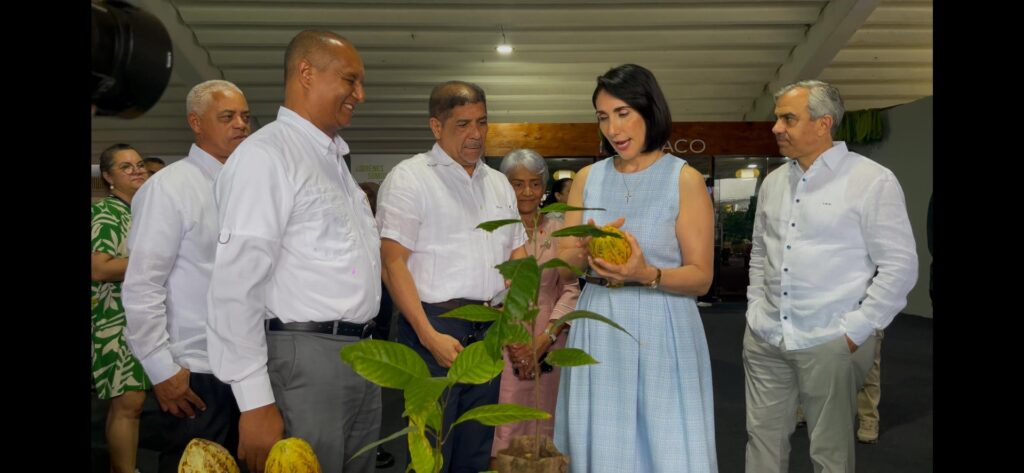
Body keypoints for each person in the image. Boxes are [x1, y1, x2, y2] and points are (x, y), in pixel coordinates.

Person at [207, 30, 381, 473]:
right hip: (305, 359)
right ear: (306, 73)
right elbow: (235, 284)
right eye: (350, 80)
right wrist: (255, 401)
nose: (360, 94)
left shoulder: (331, 162)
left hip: (361, 355)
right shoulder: (268, 155)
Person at [743, 79, 918, 473]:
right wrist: (756, 308)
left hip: (830, 339)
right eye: (777, 118)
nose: (776, 128)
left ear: (823, 124)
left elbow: (900, 265)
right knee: (761, 441)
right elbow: (760, 252)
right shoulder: (772, 183)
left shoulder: (871, 180)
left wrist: (857, 329)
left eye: (788, 118)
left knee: (830, 454)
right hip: (766, 335)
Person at [553, 64, 718, 472]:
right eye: (603, 116)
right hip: (599, 321)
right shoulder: (587, 178)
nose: (613, 127)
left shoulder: (684, 178)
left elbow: (701, 277)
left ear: (649, 110)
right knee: (604, 440)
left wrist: (648, 274)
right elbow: (563, 265)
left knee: (664, 444)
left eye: (623, 112)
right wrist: (586, 249)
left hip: (664, 322)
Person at [376, 80, 528, 473]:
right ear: (435, 126)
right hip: (432, 327)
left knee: (475, 450)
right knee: (429, 452)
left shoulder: (497, 183)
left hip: (487, 332)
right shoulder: (410, 178)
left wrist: (514, 318)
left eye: (482, 122)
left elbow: (517, 254)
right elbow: (392, 264)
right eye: (462, 124)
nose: (476, 134)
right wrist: (428, 335)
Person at [122, 79, 251, 472]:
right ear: (196, 123)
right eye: (227, 117)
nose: (241, 125)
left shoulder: (251, 186)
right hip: (195, 371)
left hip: (251, 368)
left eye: (245, 117)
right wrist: (163, 369)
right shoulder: (169, 188)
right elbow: (143, 286)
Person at [491, 149, 580, 460]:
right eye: (517, 184)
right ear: (503, 185)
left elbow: (570, 288)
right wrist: (517, 343)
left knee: (547, 422)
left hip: (551, 341)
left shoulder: (557, 230)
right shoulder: (494, 230)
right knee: (507, 424)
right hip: (505, 343)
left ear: (544, 188)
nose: (526, 192)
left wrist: (547, 337)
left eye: (534, 184)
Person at [91, 143, 152, 473]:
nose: (137, 170)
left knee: (134, 403)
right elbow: (99, 268)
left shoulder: (143, 212)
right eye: (126, 167)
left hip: (140, 316)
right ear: (108, 177)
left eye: (140, 164)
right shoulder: (106, 213)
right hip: (113, 318)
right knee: (129, 401)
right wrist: (154, 262)